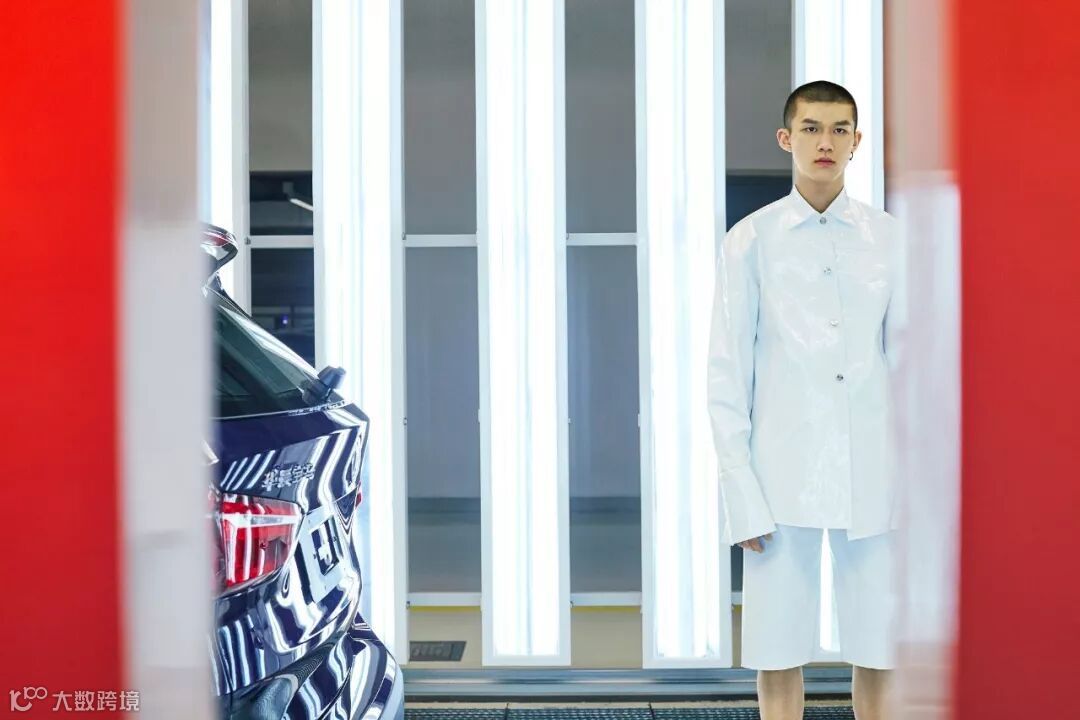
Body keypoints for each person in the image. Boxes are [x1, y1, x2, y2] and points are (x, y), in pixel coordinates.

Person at [707, 80, 904, 720]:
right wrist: (739, 489)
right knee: (776, 647)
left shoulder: (889, 239)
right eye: (812, 128)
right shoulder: (751, 239)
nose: (826, 142)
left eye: (840, 129)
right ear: (786, 138)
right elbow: (727, 372)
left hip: (874, 467)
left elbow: (909, 362)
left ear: (857, 141)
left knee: (880, 646)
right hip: (779, 469)